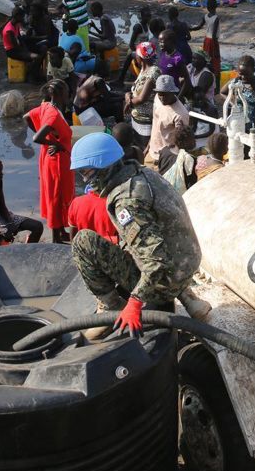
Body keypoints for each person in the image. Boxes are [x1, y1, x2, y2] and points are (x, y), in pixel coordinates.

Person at [68, 132, 202, 340]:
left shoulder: (127, 200)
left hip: (165, 279)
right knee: (129, 241)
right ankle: (187, 296)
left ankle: (111, 305)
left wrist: (134, 304)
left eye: (86, 172)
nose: (85, 179)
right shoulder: (143, 174)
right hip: (187, 261)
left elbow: (155, 262)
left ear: (104, 168)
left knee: (83, 242)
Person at [24, 81, 75, 243]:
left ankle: (61, 231)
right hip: (57, 163)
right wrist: (55, 143)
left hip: (52, 159)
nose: (69, 94)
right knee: (56, 197)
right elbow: (36, 137)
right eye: (67, 91)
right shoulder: (53, 115)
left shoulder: (47, 107)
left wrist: (50, 138)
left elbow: (27, 117)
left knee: (58, 196)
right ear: (59, 95)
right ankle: (56, 238)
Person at [147, 75, 189, 164]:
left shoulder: (180, 114)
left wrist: (166, 158)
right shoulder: (157, 98)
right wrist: (148, 147)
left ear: (173, 92)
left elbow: (181, 142)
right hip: (151, 151)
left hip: (166, 158)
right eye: (160, 94)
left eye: (165, 95)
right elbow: (155, 124)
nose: (162, 98)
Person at [127, 42, 161, 146]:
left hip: (146, 120)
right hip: (137, 116)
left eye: (136, 54)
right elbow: (136, 89)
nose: (134, 56)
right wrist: (128, 95)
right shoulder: (143, 69)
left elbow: (142, 98)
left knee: (144, 147)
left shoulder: (153, 72)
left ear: (140, 57)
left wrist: (128, 102)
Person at [202, 0, 221, 75]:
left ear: (207, 7)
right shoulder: (216, 18)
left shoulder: (205, 16)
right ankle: (215, 73)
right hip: (213, 41)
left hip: (206, 40)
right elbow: (214, 35)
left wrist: (191, 28)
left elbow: (199, 26)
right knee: (215, 57)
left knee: (207, 56)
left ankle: (206, 70)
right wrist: (216, 48)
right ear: (216, 7)